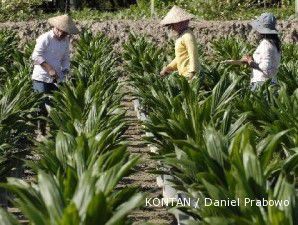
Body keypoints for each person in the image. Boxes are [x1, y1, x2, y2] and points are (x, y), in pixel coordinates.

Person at [31, 14, 79, 136]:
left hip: (57, 78)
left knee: (54, 106)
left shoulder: (65, 41)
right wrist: (49, 69)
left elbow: (66, 58)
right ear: (57, 28)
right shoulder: (45, 38)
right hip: (41, 77)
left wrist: (66, 70)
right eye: (63, 32)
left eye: (67, 33)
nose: (64, 35)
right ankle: (41, 131)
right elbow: (36, 56)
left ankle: (53, 133)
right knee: (42, 106)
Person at [241, 13, 281, 91]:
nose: (256, 31)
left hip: (262, 84)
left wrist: (250, 61)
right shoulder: (274, 44)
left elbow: (265, 67)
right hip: (272, 82)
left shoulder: (265, 44)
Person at [160, 6, 199, 81]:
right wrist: (169, 68)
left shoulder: (188, 36)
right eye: (171, 25)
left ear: (184, 22)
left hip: (191, 75)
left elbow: (193, 54)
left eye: (174, 24)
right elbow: (180, 56)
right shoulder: (181, 36)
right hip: (184, 75)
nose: (172, 27)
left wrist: (192, 72)